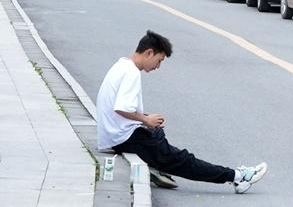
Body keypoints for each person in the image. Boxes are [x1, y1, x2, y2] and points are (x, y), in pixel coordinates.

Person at [96, 29, 267, 193]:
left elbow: (118, 107)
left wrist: (146, 120)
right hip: (124, 137)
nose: (158, 66)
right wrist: (146, 120)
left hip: (116, 134)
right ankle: (238, 177)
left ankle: (157, 163)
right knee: (184, 160)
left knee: (158, 134)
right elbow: (122, 108)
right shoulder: (132, 73)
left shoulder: (121, 65)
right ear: (149, 53)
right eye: (159, 60)